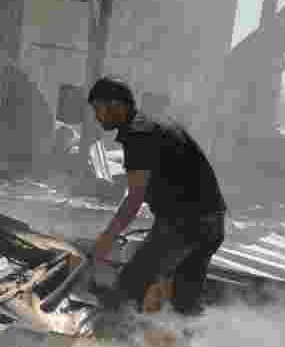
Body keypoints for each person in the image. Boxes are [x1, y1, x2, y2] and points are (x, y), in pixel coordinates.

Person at [89, 77, 226, 316]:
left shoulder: (137, 134)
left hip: (184, 225)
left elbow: (135, 199)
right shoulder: (155, 123)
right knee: (185, 302)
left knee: (129, 289)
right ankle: (196, 336)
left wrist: (107, 239)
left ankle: (105, 335)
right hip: (213, 223)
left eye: (98, 109)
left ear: (116, 105)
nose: (97, 117)